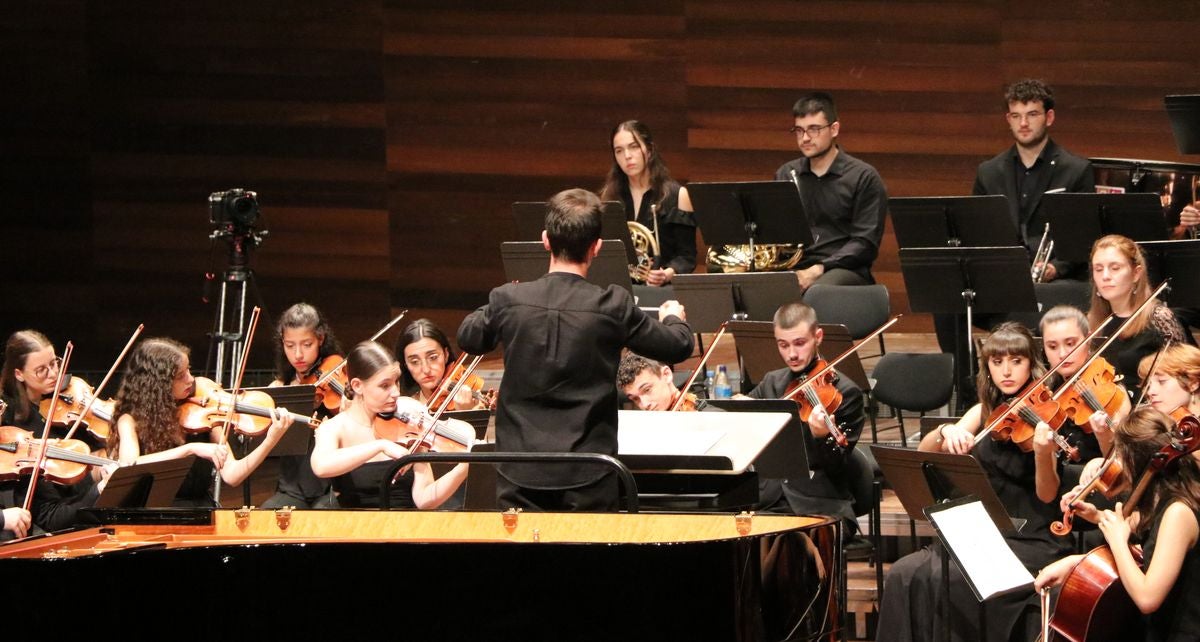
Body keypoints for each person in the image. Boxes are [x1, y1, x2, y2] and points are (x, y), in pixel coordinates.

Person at [457, 188, 694, 512]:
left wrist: (501, 303)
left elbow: (468, 336)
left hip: (519, 471)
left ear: (545, 240)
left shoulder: (508, 300)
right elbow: (679, 345)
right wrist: (672, 318)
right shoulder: (612, 305)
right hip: (590, 474)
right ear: (596, 248)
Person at [878, 322, 1075, 642]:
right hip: (982, 533)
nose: (1007, 371)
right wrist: (945, 432)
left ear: (1031, 364)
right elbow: (926, 452)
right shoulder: (986, 411)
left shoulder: (1043, 416)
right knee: (904, 572)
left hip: (1030, 537)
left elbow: (1048, 493)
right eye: (997, 363)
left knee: (954, 578)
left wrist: (1042, 452)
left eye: (1016, 361)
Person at [1035, 406, 1200, 640]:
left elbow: (1147, 598)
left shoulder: (1178, 512)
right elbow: (1141, 538)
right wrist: (1096, 518)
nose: (1117, 463)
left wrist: (1118, 542)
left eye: (1120, 455)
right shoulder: (1156, 497)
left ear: (1137, 460)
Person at [107, 338, 293, 507]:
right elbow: (129, 465)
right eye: (180, 376)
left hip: (201, 510)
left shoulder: (204, 414)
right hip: (154, 514)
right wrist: (190, 449)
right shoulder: (130, 420)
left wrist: (270, 440)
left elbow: (233, 475)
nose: (191, 379)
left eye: (188, 370)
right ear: (158, 384)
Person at [737, 302, 863, 530]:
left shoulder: (845, 393)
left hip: (818, 503)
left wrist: (823, 437)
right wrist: (739, 405)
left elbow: (838, 466)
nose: (792, 354)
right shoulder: (772, 383)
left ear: (818, 336)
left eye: (800, 343)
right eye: (783, 345)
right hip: (767, 500)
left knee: (786, 543)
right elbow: (741, 414)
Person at [309, 341, 468, 509]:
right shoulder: (334, 428)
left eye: (396, 382)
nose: (396, 393)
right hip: (357, 529)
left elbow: (424, 499)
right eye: (385, 386)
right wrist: (380, 445)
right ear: (357, 385)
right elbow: (321, 466)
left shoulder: (411, 423)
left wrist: (463, 469)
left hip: (405, 527)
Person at [973, 78, 1095, 283]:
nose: (1023, 123)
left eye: (1032, 114)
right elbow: (976, 231)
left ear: (1049, 117)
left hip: (1057, 281)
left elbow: (1084, 237)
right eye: (1016, 116)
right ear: (1008, 119)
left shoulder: (1077, 170)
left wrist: (1055, 268)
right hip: (1003, 276)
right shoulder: (988, 172)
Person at [773, 92, 888, 291]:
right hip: (795, 266)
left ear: (834, 129)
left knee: (819, 291)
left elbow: (865, 243)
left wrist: (820, 268)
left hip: (845, 270)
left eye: (814, 129)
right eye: (799, 131)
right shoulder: (786, 173)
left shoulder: (864, 177)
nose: (805, 138)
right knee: (750, 287)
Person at [262, 302, 341, 509]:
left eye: (306, 345)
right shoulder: (281, 386)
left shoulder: (338, 375)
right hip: (292, 488)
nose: (298, 354)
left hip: (333, 487)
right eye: (290, 345)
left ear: (320, 339)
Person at [599, 120, 695, 287]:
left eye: (634, 146)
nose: (627, 156)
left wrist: (666, 273)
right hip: (621, 289)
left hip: (662, 292)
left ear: (649, 150)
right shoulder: (609, 198)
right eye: (619, 151)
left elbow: (687, 257)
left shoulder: (677, 195)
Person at [1088, 234, 1186, 395]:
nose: (1105, 276)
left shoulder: (1159, 318)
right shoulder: (1092, 322)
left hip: (1149, 414)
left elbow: (1183, 374)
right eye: (1098, 269)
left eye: (1115, 268)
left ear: (1136, 273)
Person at [396, 318, 486, 411]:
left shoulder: (474, 405)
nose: (426, 369)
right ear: (406, 365)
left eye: (433, 357)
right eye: (415, 362)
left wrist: (465, 413)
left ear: (446, 355)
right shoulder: (406, 408)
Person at [617, 352, 707, 412]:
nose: (644, 405)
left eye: (647, 390)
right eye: (635, 398)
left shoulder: (705, 417)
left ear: (666, 375)